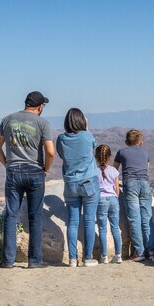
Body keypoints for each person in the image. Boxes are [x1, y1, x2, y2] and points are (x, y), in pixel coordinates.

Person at [0, 91, 55, 269]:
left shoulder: (8, 119)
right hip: (35, 171)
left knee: (11, 215)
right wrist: (46, 169)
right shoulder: (43, 123)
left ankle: (7, 260)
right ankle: (35, 261)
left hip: (13, 171)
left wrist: (7, 164)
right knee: (35, 216)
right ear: (40, 107)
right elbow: (50, 152)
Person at [56, 108, 99, 267]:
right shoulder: (87, 136)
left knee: (72, 222)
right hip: (89, 182)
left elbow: (61, 155)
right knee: (88, 221)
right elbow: (93, 146)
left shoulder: (61, 139)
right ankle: (88, 258)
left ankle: (73, 259)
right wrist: (86, 127)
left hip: (71, 183)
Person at [114, 129, 154, 261]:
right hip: (145, 184)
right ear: (140, 142)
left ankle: (139, 251)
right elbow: (146, 169)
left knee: (134, 218)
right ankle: (151, 250)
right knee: (147, 218)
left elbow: (114, 171)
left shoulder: (121, 152)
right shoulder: (145, 152)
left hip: (130, 184)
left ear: (126, 141)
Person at [95, 144, 122, 264]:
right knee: (115, 228)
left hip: (101, 199)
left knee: (102, 229)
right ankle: (118, 255)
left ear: (96, 157)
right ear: (110, 157)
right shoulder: (114, 171)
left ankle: (104, 256)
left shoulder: (94, 171)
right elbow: (117, 189)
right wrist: (115, 197)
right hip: (113, 199)